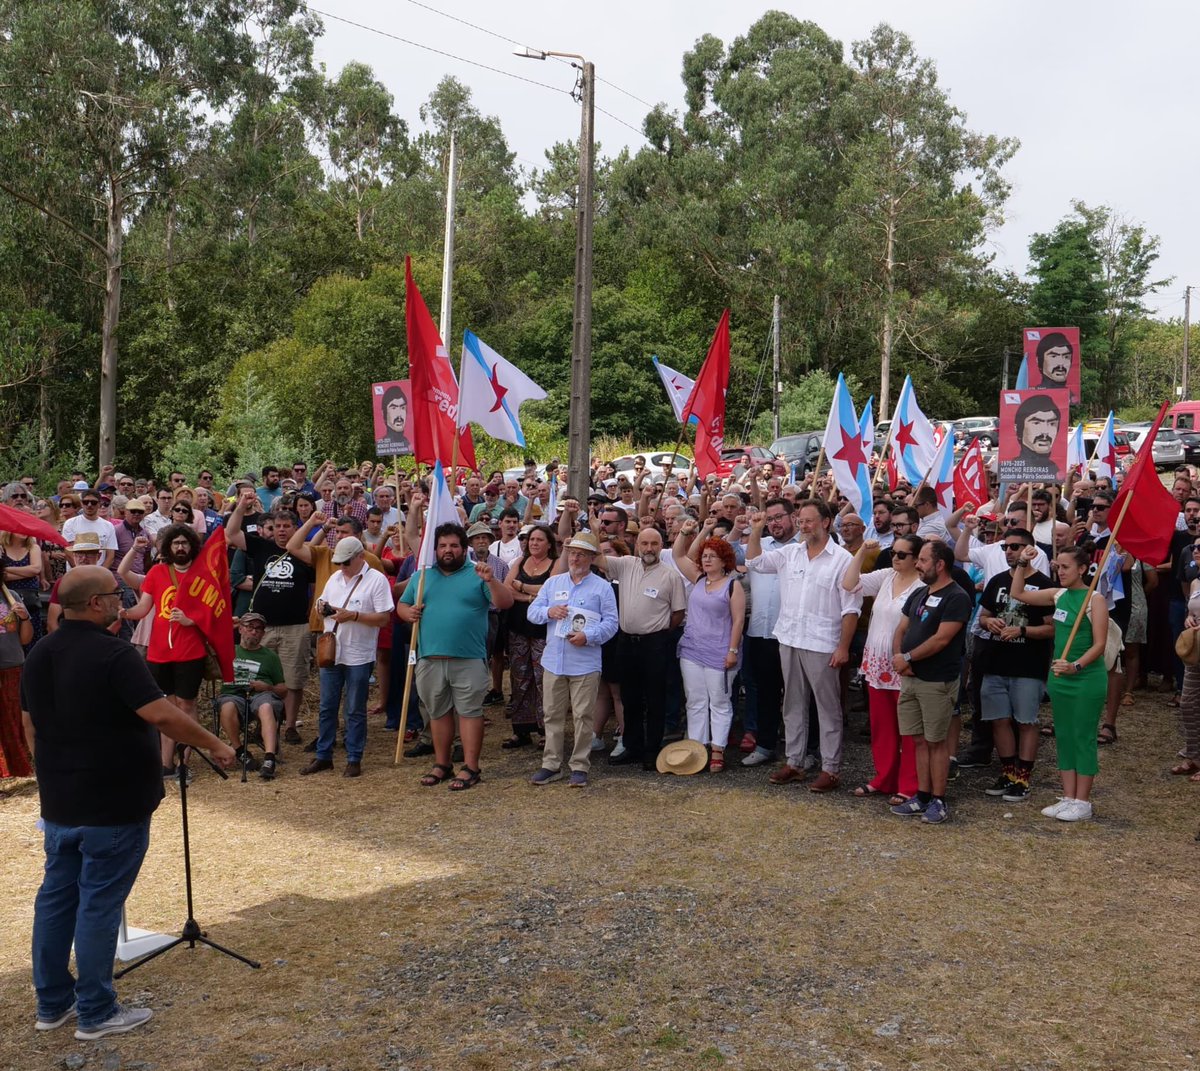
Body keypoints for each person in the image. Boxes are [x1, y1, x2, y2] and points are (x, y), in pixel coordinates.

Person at [22, 565, 235, 1041]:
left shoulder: (39, 652)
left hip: (61, 801)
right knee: (98, 903)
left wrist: (50, 775)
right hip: (112, 802)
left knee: (56, 900)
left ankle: (52, 1002)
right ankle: (96, 1011)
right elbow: (162, 714)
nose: (122, 600)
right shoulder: (115, 653)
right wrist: (216, 745)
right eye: (115, 594)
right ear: (95, 603)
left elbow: (28, 724)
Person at [746, 499, 862, 792]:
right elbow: (755, 562)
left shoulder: (842, 560)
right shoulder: (790, 554)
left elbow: (851, 610)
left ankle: (831, 768)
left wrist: (843, 647)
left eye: (809, 521)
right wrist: (757, 530)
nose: (803, 526)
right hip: (789, 639)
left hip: (823, 642)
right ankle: (795, 762)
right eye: (801, 521)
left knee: (828, 709)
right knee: (793, 704)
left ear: (826, 522)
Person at [397, 523, 514, 790]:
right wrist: (407, 613)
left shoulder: (478, 574)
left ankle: (471, 768)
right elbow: (402, 604)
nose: (447, 550)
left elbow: (505, 602)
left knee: (470, 713)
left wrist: (491, 580)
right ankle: (442, 764)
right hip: (429, 658)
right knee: (437, 713)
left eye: (453, 545)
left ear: (464, 549)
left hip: (469, 659)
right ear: (435, 549)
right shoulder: (422, 577)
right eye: (442, 546)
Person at [1009, 544, 1109, 821]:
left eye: (1065, 567)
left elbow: (1099, 644)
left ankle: (1083, 801)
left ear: (1082, 568)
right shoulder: (1058, 594)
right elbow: (1019, 593)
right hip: (1059, 676)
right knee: (1063, 735)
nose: (1060, 571)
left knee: (1082, 737)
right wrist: (1021, 563)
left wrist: (1076, 666)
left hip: (1086, 678)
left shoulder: (1095, 599)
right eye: (1057, 566)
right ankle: (1068, 796)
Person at [525, 531, 619, 786]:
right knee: (552, 714)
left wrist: (588, 636)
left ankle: (580, 765)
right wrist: (549, 611)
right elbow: (532, 613)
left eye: (580, 554)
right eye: (572, 553)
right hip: (554, 660)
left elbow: (612, 623)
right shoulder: (553, 583)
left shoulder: (602, 588)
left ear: (591, 558)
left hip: (585, 663)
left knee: (583, 715)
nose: (575, 558)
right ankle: (551, 764)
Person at [889, 541, 973, 824]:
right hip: (911, 679)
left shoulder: (957, 597)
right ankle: (922, 796)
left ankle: (939, 799)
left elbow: (942, 638)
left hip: (937, 680)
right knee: (918, 740)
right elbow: (902, 628)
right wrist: (899, 657)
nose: (917, 564)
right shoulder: (920, 593)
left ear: (940, 565)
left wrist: (909, 657)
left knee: (937, 742)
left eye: (923, 560)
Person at [120, 524, 209, 780]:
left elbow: (215, 613)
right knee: (168, 707)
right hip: (159, 651)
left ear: (192, 545)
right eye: (175, 543)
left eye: (185, 543)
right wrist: (122, 613)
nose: (180, 547)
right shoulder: (157, 572)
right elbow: (143, 609)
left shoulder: (203, 574)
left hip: (191, 650)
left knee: (186, 704)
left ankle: (184, 763)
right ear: (168, 546)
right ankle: (165, 763)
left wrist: (191, 620)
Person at [300, 537, 393, 778]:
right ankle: (324, 755)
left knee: (354, 708)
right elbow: (323, 601)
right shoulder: (335, 578)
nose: (342, 567)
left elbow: (384, 618)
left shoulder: (377, 580)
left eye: (346, 562)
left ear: (360, 557)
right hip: (333, 650)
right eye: (339, 562)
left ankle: (354, 757)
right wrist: (322, 607)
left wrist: (353, 616)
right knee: (326, 706)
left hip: (359, 653)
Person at [842, 535, 925, 804]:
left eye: (902, 554)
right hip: (877, 664)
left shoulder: (923, 585)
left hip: (904, 664)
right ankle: (884, 777)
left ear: (916, 558)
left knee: (909, 729)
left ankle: (909, 784)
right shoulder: (886, 575)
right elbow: (849, 582)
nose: (896, 558)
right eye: (893, 553)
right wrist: (861, 553)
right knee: (882, 726)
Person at [976, 528, 1054, 803]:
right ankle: (1008, 772)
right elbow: (983, 616)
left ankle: (1023, 776)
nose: (1009, 551)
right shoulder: (997, 581)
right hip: (995, 661)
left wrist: (1022, 631)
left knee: (1026, 721)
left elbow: (1051, 629)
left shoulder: (1044, 584)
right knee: (998, 719)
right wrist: (990, 623)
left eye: (1015, 546)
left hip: (1028, 664)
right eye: (1005, 547)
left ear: (1030, 550)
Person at [602, 527, 687, 770]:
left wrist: (657, 633)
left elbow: (678, 613)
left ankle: (652, 749)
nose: (649, 548)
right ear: (637, 544)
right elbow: (597, 558)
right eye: (645, 543)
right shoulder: (626, 564)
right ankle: (632, 746)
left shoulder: (671, 575)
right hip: (626, 642)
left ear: (662, 546)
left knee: (655, 697)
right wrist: (596, 528)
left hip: (655, 644)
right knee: (629, 697)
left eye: (654, 544)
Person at [672, 525, 745, 772]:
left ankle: (718, 748)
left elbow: (738, 621)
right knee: (695, 700)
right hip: (692, 650)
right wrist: (688, 532)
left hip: (720, 652)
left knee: (719, 701)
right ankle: (697, 747)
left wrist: (732, 651)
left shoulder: (732, 586)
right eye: (704, 555)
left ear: (725, 561)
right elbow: (678, 556)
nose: (706, 559)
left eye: (712, 556)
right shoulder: (698, 579)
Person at [740, 499, 797, 766]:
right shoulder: (757, 545)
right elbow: (731, 554)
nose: (774, 523)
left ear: (793, 517)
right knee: (765, 693)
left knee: (797, 696)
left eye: (779, 517)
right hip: (760, 632)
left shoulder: (805, 548)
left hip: (792, 635)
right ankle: (765, 745)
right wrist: (754, 528)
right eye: (770, 518)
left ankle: (804, 751)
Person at [502, 524, 556, 747]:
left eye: (539, 540)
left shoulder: (554, 564)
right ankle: (521, 729)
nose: (533, 543)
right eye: (531, 539)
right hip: (517, 628)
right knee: (519, 677)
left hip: (542, 630)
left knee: (543, 679)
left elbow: (549, 590)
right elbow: (506, 589)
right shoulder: (519, 562)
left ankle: (545, 730)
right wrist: (529, 597)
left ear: (549, 544)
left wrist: (522, 587)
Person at [215, 611, 286, 778]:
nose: (254, 632)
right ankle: (240, 751)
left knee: (266, 706)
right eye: (249, 627)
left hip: (261, 694)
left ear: (263, 633)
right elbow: (205, 644)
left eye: (259, 629)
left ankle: (269, 758)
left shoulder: (270, 656)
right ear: (240, 629)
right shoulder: (227, 650)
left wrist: (268, 687)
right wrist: (225, 626)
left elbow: (283, 690)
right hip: (233, 694)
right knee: (227, 706)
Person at [0, 583, 34, 783]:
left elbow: (25, 639)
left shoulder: (10, 595)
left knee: (15, 719)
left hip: (13, 665)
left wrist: (25, 618)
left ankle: (18, 768)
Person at [1009, 394, 1062, 481]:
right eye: (1036, 423)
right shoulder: (1011, 471)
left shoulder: (1055, 471)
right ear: (1018, 428)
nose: (1045, 431)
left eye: (1052, 423)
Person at [377, 384, 411, 453]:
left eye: (402, 408)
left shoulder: (410, 445)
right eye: (393, 408)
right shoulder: (381, 444)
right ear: (384, 413)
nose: (399, 415)